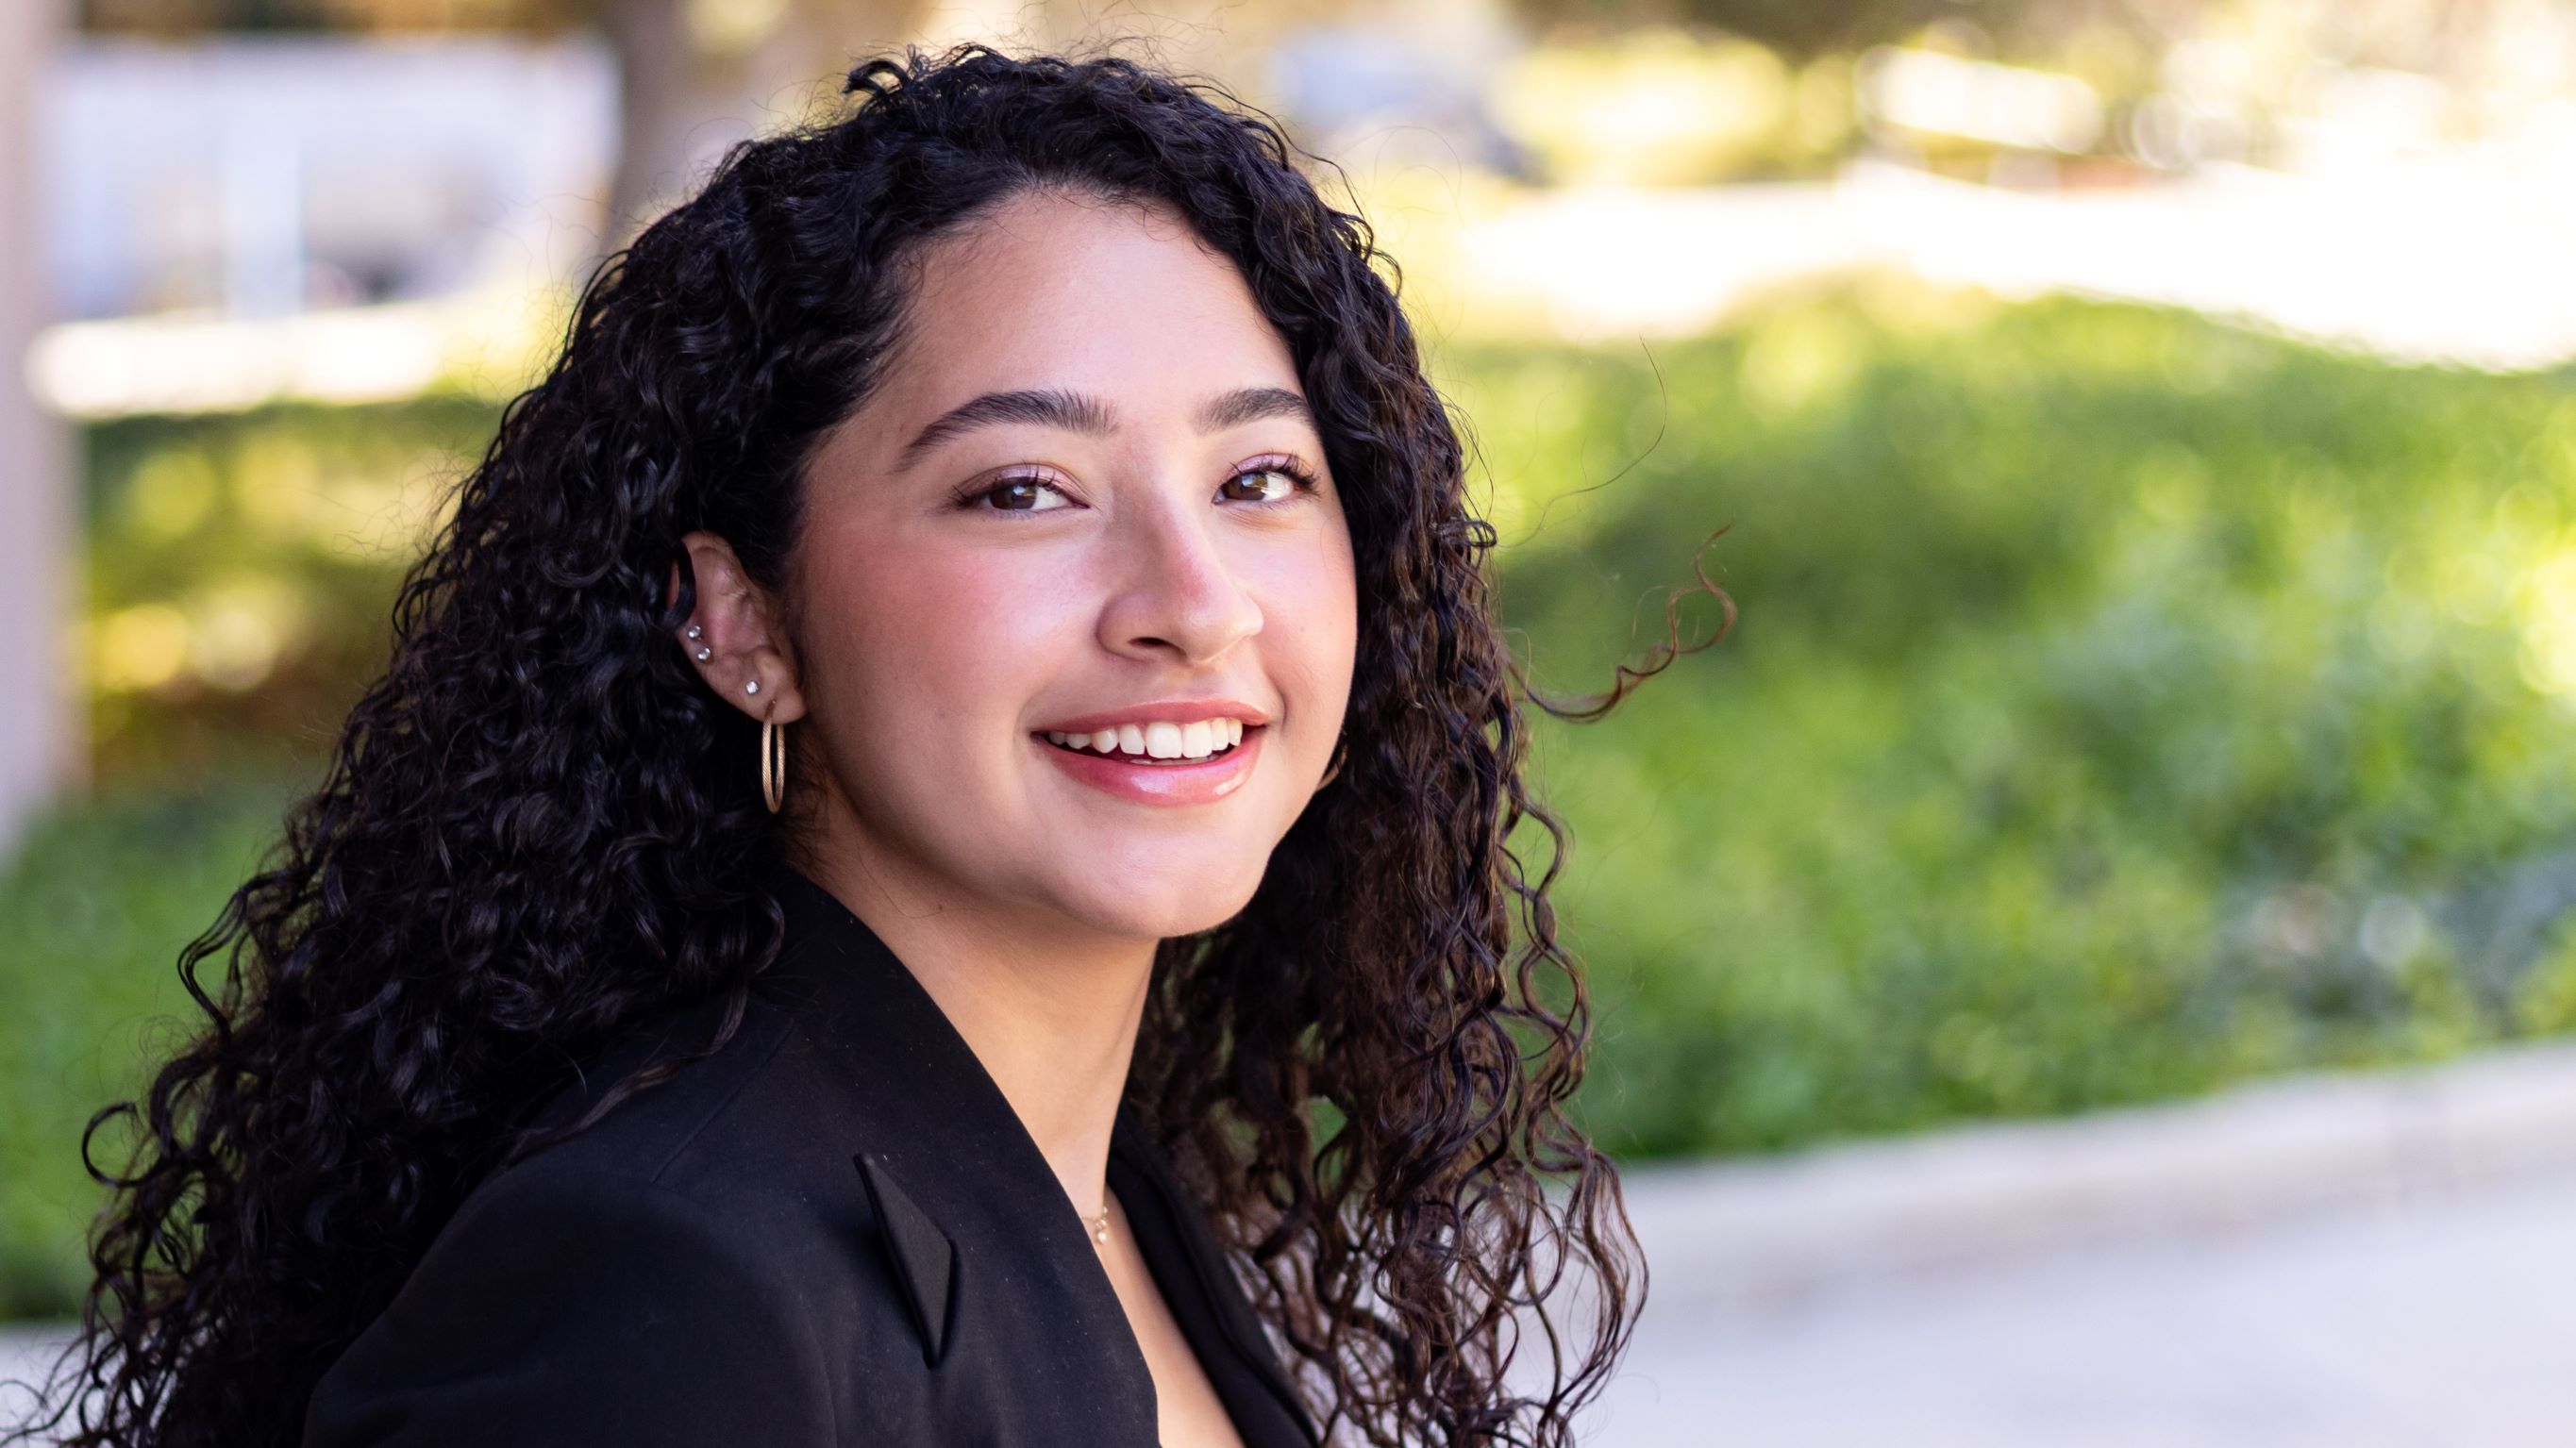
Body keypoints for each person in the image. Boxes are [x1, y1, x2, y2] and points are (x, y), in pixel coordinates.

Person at [15, 41, 1720, 1448]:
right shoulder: (666, 1299)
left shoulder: (1089, 1177)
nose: (1193, 603)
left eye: (1256, 476)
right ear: (745, 620)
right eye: (1021, 490)